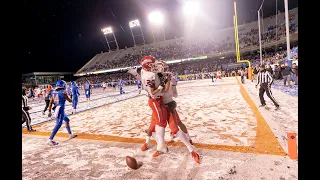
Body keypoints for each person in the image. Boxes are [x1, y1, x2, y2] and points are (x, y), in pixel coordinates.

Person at [47, 80, 77, 146]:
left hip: (57, 109)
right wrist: (70, 96)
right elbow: (70, 101)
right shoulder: (63, 92)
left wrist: (49, 111)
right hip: (60, 110)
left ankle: (70, 134)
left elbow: (51, 102)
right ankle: (50, 139)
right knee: (58, 124)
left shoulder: (54, 92)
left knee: (67, 120)